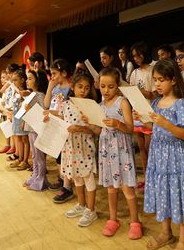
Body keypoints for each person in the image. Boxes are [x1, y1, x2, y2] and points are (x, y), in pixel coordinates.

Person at [138, 59, 184, 250]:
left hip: (175, 157)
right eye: (155, 80)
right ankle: (166, 232)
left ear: (173, 80)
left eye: (161, 80)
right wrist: (143, 120)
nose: (157, 84)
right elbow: (153, 127)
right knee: (163, 192)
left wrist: (165, 123)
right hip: (157, 155)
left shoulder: (181, 104)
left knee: (179, 194)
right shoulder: (155, 102)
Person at [93, 67, 143, 240]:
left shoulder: (122, 102)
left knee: (127, 189)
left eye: (111, 87)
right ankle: (113, 219)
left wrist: (117, 124)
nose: (106, 90)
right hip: (106, 150)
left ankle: (135, 222)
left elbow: (130, 129)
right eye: (103, 86)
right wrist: (89, 123)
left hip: (121, 150)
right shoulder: (99, 105)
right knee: (111, 188)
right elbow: (99, 131)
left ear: (118, 86)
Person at [58, 70, 100, 227]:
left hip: (85, 147)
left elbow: (95, 130)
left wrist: (80, 129)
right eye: (80, 86)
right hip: (70, 148)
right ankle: (81, 205)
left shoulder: (90, 106)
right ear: (73, 87)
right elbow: (63, 121)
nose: (83, 90)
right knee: (76, 176)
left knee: (88, 177)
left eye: (87, 87)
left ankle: (91, 210)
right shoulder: (66, 104)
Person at [44, 58, 74, 201]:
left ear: (64, 72)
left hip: (66, 126)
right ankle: (62, 180)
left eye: (55, 73)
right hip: (55, 125)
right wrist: (50, 87)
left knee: (66, 157)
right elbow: (46, 104)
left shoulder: (72, 88)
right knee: (58, 155)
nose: (53, 77)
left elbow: (68, 112)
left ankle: (68, 186)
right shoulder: (55, 88)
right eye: (51, 74)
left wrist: (52, 113)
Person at [129, 41, 155, 189]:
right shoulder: (135, 72)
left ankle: (152, 178)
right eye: (133, 56)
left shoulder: (152, 70)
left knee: (149, 147)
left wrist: (139, 91)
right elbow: (132, 92)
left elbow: (154, 94)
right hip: (137, 113)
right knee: (142, 149)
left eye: (137, 55)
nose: (135, 59)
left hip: (150, 113)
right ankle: (146, 178)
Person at [22, 68, 49, 191]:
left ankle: (41, 179)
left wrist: (29, 110)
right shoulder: (32, 94)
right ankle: (35, 175)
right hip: (31, 128)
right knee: (34, 155)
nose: (27, 81)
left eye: (30, 78)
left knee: (39, 156)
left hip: (37, 129)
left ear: (38, 81)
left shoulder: (40, 95)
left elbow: (42, 113)